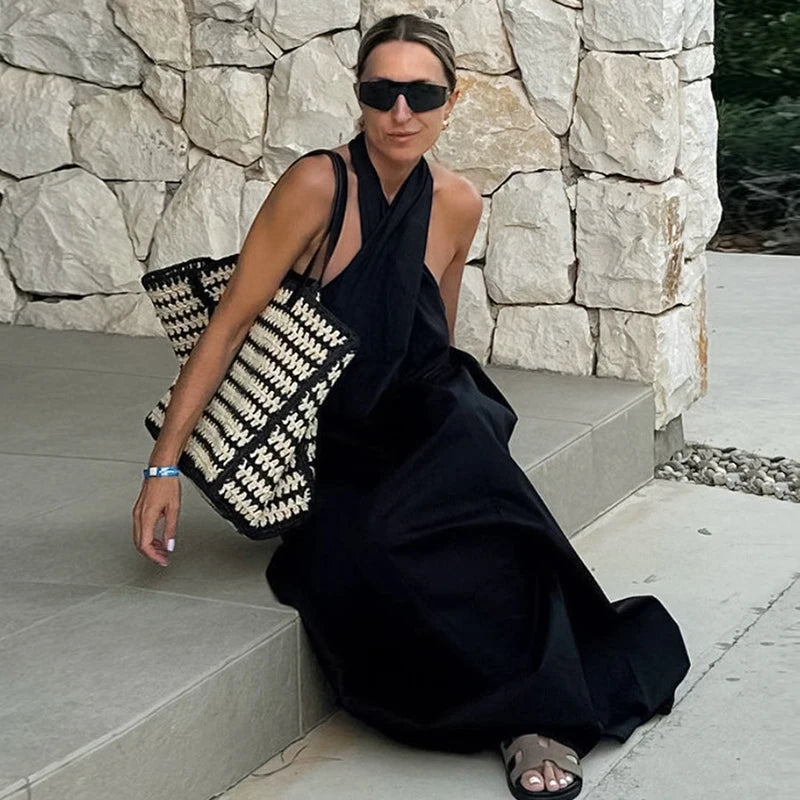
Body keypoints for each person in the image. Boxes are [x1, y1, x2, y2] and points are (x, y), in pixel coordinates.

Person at [133, 13, 691, 800]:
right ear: (360, 97)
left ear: (450, 100)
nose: (401, 112)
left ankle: (536, 720)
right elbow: (226, 329)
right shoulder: (318, 185)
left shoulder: (459, 202)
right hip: (337, 433)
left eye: (421, 93)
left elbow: (435, 335)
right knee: (382, 548)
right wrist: (164, 464)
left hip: (432, 415)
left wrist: (452, 434)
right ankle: (509, 700)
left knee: (506, 531)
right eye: (381, 92)